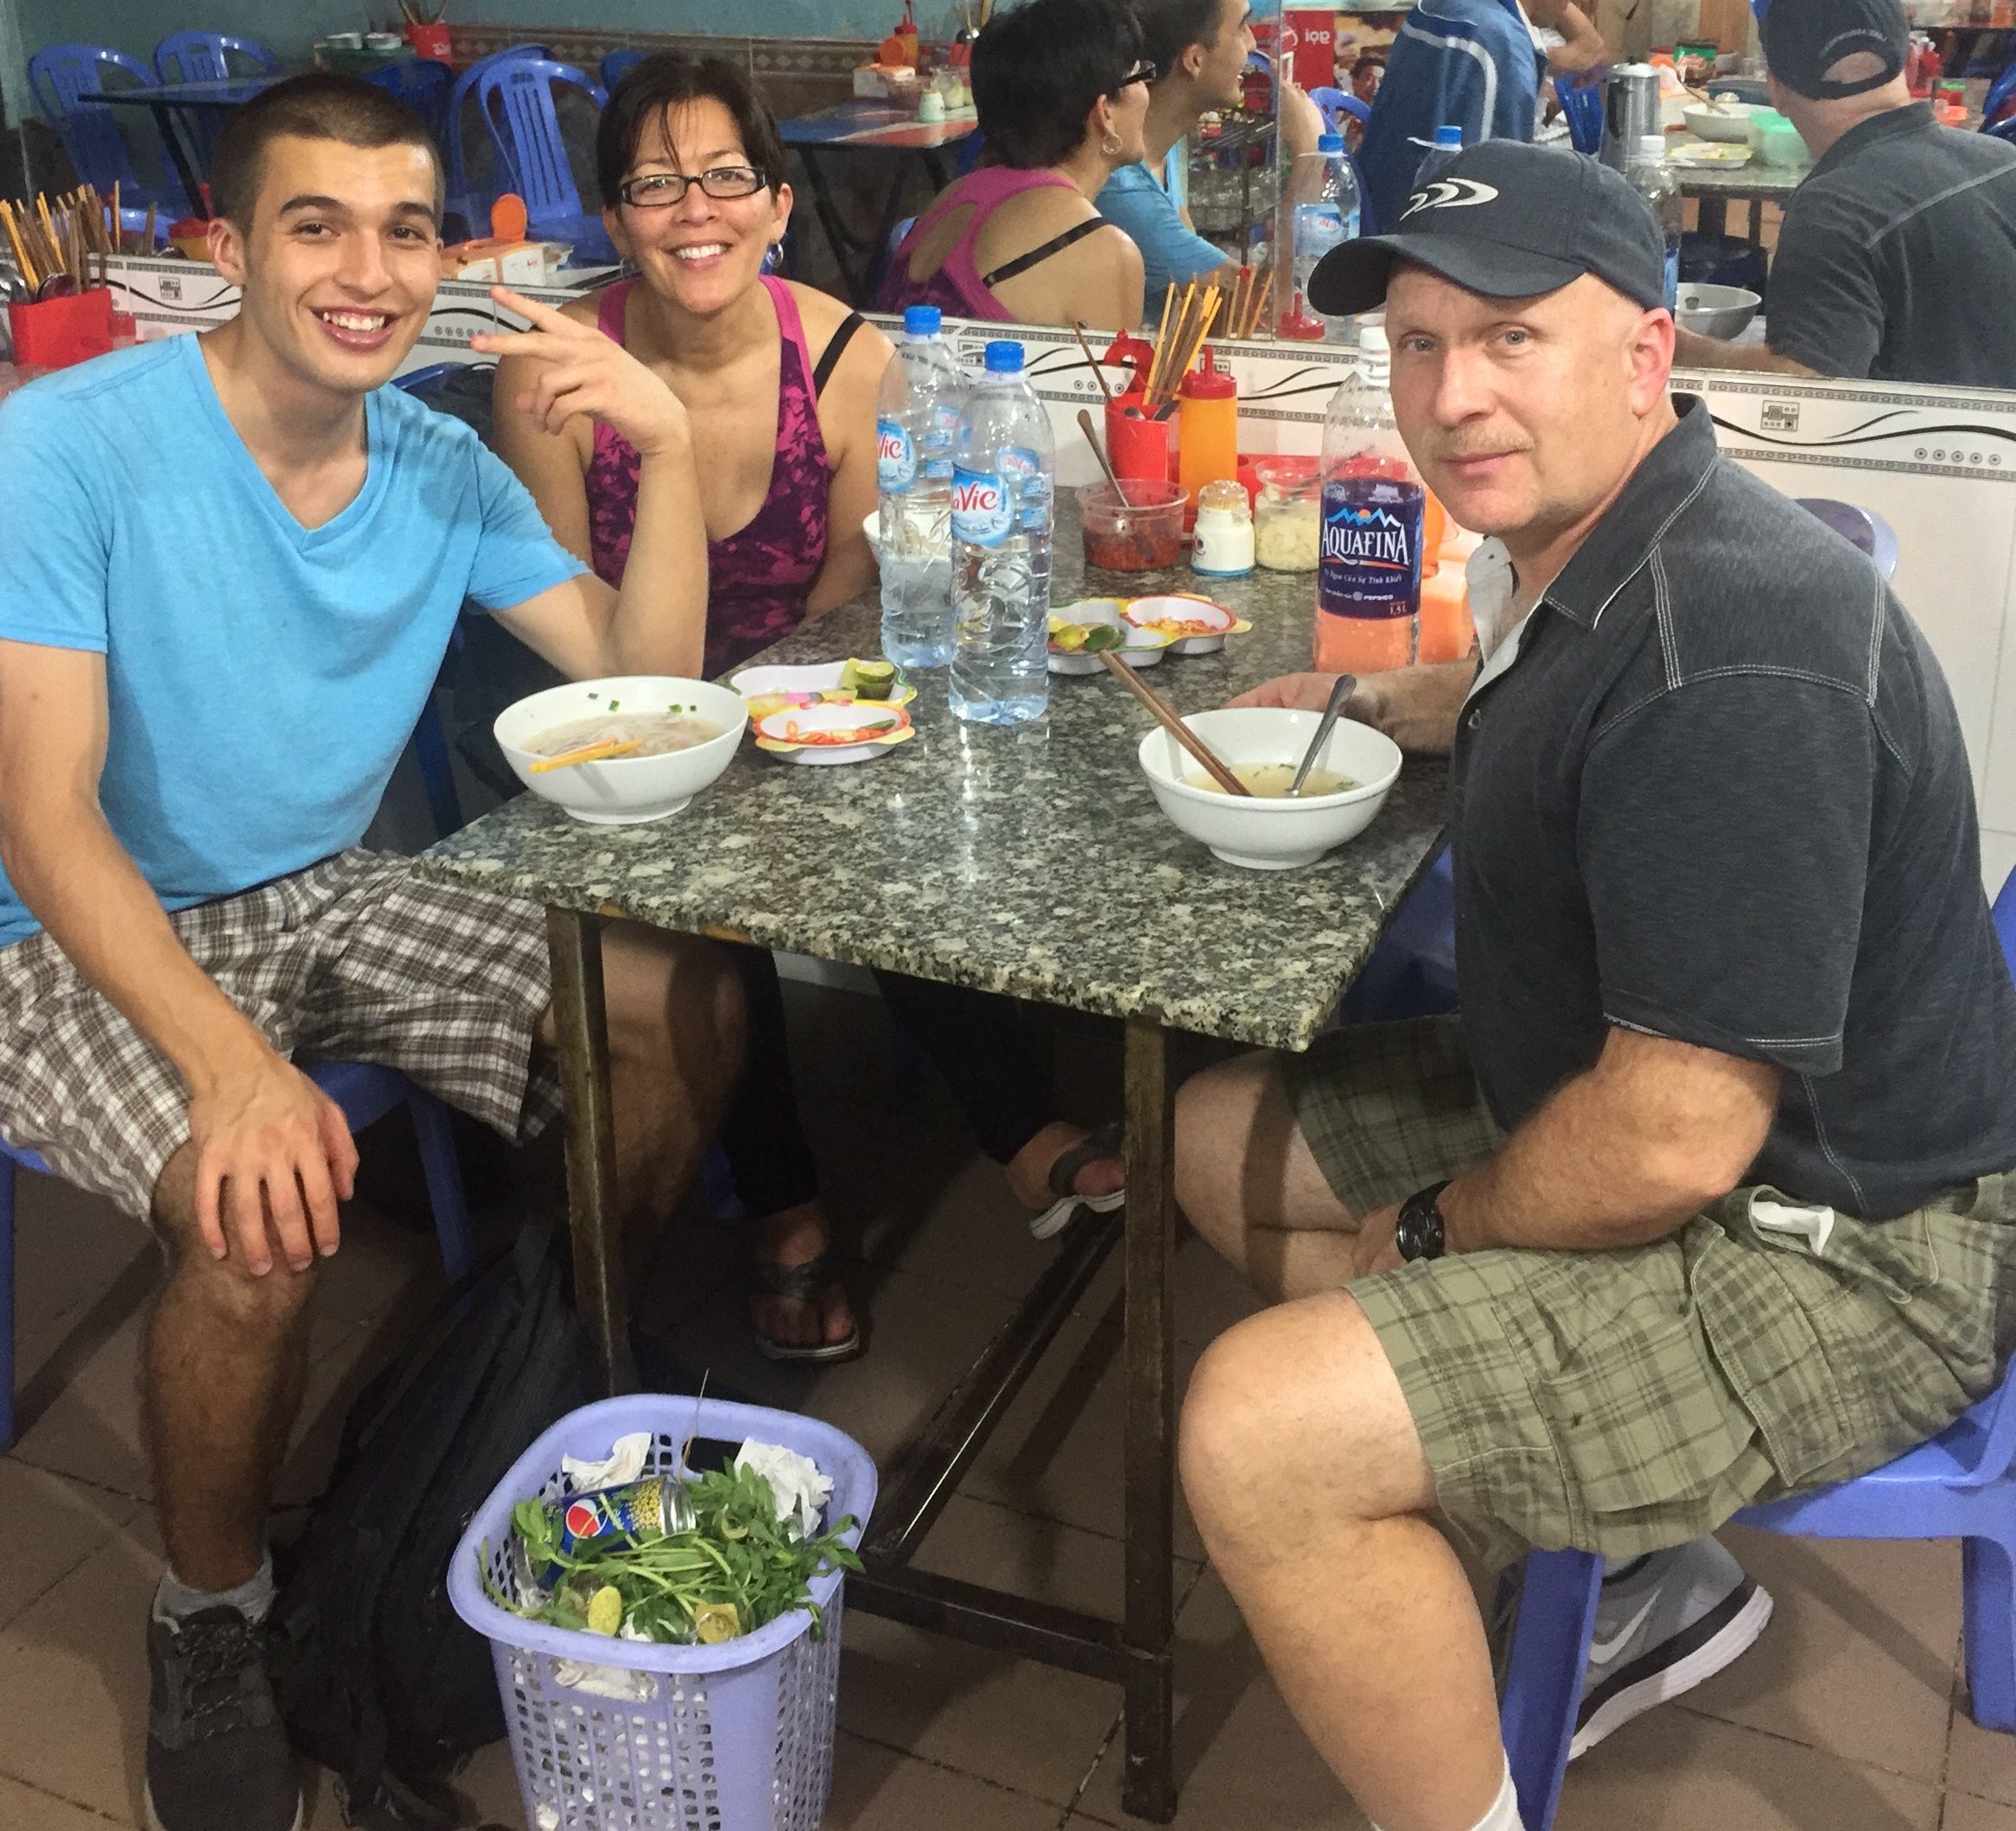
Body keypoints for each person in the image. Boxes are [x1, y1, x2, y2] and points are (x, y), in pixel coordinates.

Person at [1172, 139, 2016, 1831]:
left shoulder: (1733, 652)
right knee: (1209, 1136)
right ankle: (1636, 1563)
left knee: (1257, 1427)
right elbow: (1549, 689)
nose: (1450, 396)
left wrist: (1426, 1233)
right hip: (1626, 1088)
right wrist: (1390, 702)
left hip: (1840, 1239)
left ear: (1641, 356)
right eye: (1417, 344)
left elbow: (1668, 1142)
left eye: (1509, 338)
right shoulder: (1601, 536)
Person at [0, 77, 745, 1831]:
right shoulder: (73, 442)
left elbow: (644, 698)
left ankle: (515, 1413)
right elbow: (45, 819)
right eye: (317, 226)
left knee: (671, 1005)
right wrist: (235, 1069)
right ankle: (212, 1611)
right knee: (256, 1226)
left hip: (328, 886)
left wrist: (666, 451)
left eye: (406, 229)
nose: (368, 272)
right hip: (72, 937)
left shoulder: (438, 464)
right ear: (229, 247)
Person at [469, 52, 1125, 1357]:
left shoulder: (842, 358)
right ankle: (784, 1203)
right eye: (655, 186)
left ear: (776, 204)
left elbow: (841, 596)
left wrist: (778, 722)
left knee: (893, 813)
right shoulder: (558, 375)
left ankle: (1015, 1130)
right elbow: (563, 616)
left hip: (787, 687)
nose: (694, 212)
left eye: (726, 177)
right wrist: (690, 739)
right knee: (691, 868)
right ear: (614, 221)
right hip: (613, 710)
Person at [1675, 0, 2016, 386]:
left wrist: (1684, 350)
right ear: (1912, 66)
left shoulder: (1834, 209)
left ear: (1776, 93)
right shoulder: (2003, 160)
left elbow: (1803, 385)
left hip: (1907, 428)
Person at [878, 0, 1150, 328]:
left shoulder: (957, 192)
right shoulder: (1105, 252)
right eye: (1140, 75)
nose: (1147, 92)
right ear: (1104, 112)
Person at [1098, 0, 1326, 317]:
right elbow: (1270, 310)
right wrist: (1309, 150)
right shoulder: (1125, 192)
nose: (1251, 43)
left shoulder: (1164, 148)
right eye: (1241, 27)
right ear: (1194, 60)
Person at [1356, 0, 1604, 234]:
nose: (1568, 6)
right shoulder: (1503, 43)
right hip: (1431, 238)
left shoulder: (1429, 8)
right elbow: (1496, 193)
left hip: (1378, 213)